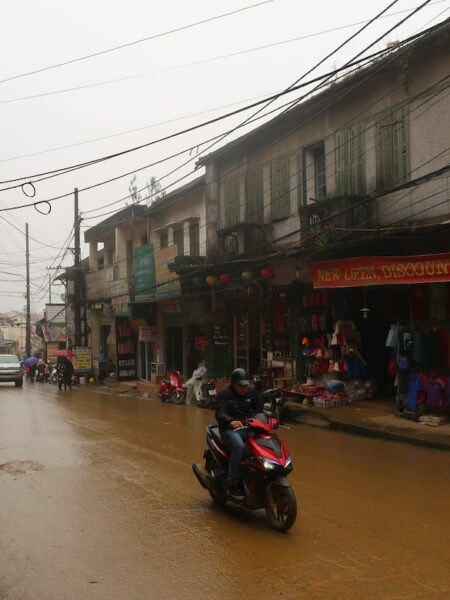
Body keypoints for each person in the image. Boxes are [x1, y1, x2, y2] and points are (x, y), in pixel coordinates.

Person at [215, 368, 263, 501]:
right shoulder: (224, 393)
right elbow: (220, 413)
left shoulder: (252, 392)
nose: (244, 389)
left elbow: (259, 408)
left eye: (246, 386)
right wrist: (231, 421)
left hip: (248, 427)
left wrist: (255, 418)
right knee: (238, 446)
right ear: (233, 383)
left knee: (262, 444)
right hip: (229, 430)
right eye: (240, 386)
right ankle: (233, 484)